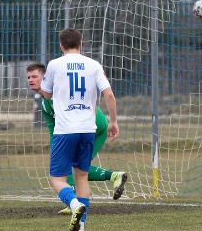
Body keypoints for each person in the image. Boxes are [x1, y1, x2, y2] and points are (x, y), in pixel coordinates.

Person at [37, 28, 118, 231]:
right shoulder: (94, 65)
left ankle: (73, 205)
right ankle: (81, 227)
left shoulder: (55, 65)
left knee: (57, 179)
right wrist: (113, 121)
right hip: (87, 129)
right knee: (81, 177)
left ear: (61, 46)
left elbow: (45, 93)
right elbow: (109, 94)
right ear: (81, 44)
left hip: (65, 130)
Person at [26, 63, 127, 215]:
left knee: (74, 166)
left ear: (45, 78)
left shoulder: (58, 92)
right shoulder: (45, 105)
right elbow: (53, 130)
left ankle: (74, 203)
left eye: (35, 76)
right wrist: (56, 150)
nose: (30, 80)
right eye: (28, 77)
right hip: (88, 127)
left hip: (94, 125)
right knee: (78, 167)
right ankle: (114, 176)